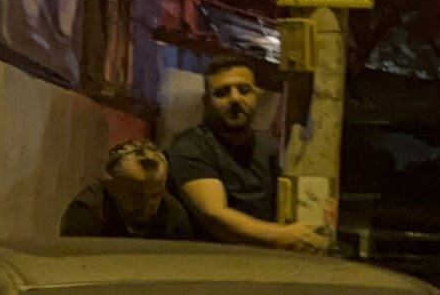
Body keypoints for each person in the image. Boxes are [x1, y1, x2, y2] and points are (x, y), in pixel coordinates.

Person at [166, 55, 324, 252]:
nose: (235, 99)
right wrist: (283, 235)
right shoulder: (192, 146)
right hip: (209, 261)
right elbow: (214, 215)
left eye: (244, 90)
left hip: (262, 260)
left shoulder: (266, 147)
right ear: (206, 101)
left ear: (256, 97)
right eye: (222, 92)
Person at [60, 139, 198, 240]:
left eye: (155, 195)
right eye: (136, 195)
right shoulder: (87, 212)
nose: (146, 205)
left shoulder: (172, 212)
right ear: (112, 187)